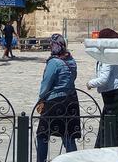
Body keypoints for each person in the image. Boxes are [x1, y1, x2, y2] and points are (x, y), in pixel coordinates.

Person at [36, 34, 81, 162]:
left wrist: (41, 99)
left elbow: (46, 83)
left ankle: (41, 160)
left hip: (55, 102)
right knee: (68, 135)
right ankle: (75, 160)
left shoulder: (54, 63)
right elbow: (73, 77)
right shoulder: (71, 60)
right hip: (71, 100)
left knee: (42, 134)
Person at [87, 28, 118, 148]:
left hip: (113, 93)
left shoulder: (108, 55)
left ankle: (106, 148)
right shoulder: (117, 52)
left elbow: (104, 78)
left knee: (108, 123)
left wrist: (90, 83)